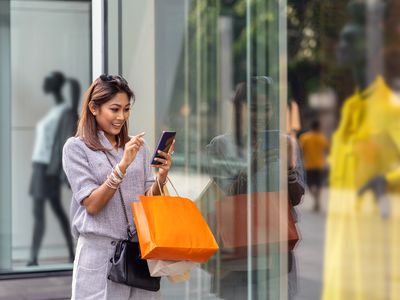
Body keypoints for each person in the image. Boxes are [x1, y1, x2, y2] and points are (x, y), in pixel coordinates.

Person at [62, 74, 174, 299]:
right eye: (114, 109)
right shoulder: (76, 148)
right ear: (94, 108)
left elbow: (147, 202)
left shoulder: (137, 148)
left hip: (138, 253)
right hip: (100, 257)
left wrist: (161, 177)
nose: (121, 117)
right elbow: (92, 204)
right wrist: (122, 166)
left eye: (126, 109)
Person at [322, 1, 400, 299]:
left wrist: (388, 180)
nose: (340, 46)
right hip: (342, 236)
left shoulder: (388, 109)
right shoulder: (352, 108)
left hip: (372, 242)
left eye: (349, 39)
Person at [207, 77, 305, 299]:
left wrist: (289, 168)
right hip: (236, 254)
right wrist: (254, 166)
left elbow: (296, 197)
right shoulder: (220, 145)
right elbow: (225, 196)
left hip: (274, 250)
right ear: (239, 108)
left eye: (266, 109)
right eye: (253, 109)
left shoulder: (285, 143)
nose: (260, 116)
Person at [27, 71, 74, 266]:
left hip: (47, 168)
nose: (44, 83)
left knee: (42, 211)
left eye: (48, 80)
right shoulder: (56, 110)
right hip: (40, 165)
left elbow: (62, 142)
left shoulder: (64, 111)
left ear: (55, 85)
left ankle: (33, 258)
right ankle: (71, 252)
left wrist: (55, 169)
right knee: (54, 209)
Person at [299, 119, 329, 212]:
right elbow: (327, 150)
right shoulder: (322, 138)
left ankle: (316, 199)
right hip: (320, 165)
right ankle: (317, 200)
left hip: (308, 165)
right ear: (318, 127)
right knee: (319, 184)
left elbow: (300, 151)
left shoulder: (304, 137)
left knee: (310, 184)